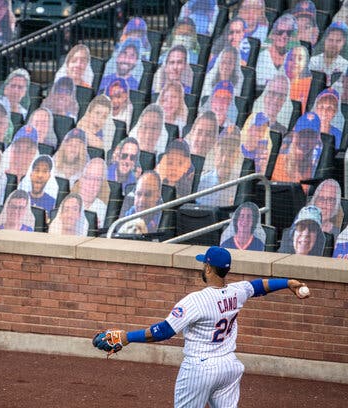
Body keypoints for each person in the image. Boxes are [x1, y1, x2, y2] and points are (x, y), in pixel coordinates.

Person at [92, 245, 311, 407]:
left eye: (203, 263)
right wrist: (288, 283)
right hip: (229, 367)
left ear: (208, 268)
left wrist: (128, 337)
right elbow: (259, 286)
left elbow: (164, 331)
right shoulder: (237, 292)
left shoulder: (195, 301)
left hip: (200, 369)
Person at [272, 112, 322, 194]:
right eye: (302, 134)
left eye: (310, 136)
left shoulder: (315, 172)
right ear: (293, 135)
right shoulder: (276, 162)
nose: (305, 140)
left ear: (317, 139)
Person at [196, 134, 242, 207]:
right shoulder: (201, 183)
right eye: (222, 151)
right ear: (216, 150)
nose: (225, 159)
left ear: (237, 155)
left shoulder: (241, 185)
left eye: (231, 152)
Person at [256, 14, 299, 89]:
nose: (284, 36)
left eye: (288, 33)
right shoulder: (260, 58)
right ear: (272, 35)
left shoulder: (293, 61)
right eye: (280, 32)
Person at [71, 158, 110, 229]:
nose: (92, 184)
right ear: (81, 179)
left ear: (102, 184)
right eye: (89, 177)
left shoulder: (104, 211)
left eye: (97, 180)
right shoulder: (68, 203)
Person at [282, 45, 312, 114]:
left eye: (300, 59)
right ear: (286, 61)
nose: (295, 62)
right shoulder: (277, 83)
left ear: (305, 63)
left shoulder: (309, 84)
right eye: (291, 58)